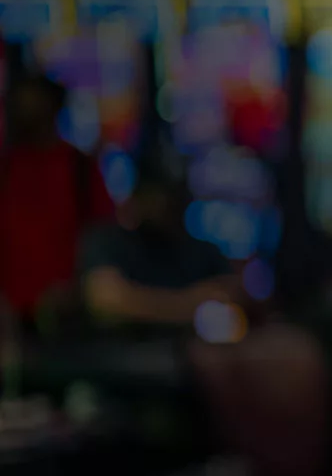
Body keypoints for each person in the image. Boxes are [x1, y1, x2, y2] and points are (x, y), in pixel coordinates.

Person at [0, 69, 115, 327]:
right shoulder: (6, 169)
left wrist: (80, 290)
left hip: (72, 315)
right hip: (10, 317)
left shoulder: (80, 169)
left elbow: (105, 237)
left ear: (54, 108)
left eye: (33, 105)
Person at [80, 171, 238, 328]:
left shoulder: (203, 250)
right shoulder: (109, 241)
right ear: (137, 195)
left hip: (191, 347)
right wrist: (188, 304)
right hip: (124, 347)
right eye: (156, 195)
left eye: (174, 195)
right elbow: (105, 301)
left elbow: (230, 297)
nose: (166, 204)